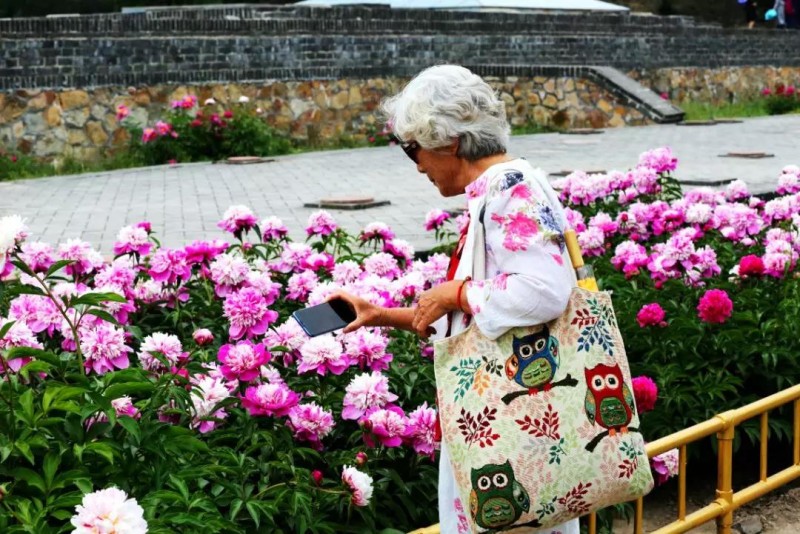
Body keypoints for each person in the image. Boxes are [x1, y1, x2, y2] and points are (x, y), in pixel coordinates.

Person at [329, 65, 578, 534]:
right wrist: (381, 314)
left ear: (452, 143)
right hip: (509, 427)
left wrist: (457, 291)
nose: (417, 163)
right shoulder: (497, 189)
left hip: (509, 437)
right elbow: (482, 318)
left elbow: (543, 290)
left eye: (414, 149)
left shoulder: (508, 188)